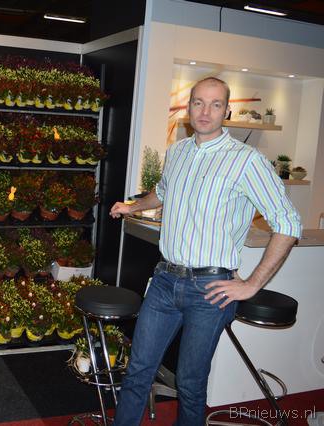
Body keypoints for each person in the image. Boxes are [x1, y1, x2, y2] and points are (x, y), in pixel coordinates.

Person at [109, 77, 301, 426]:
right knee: (137, 371)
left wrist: (252, 284)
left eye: (215, 104)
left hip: (210, 291)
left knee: (190, 384)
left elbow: (288, 223)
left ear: (226, 111)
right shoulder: (178, 152)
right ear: (188, 107)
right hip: (165, 280)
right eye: (198, 102)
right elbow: (162, 192)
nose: (205, 111)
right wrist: (132, 207)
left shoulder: (246, 161)